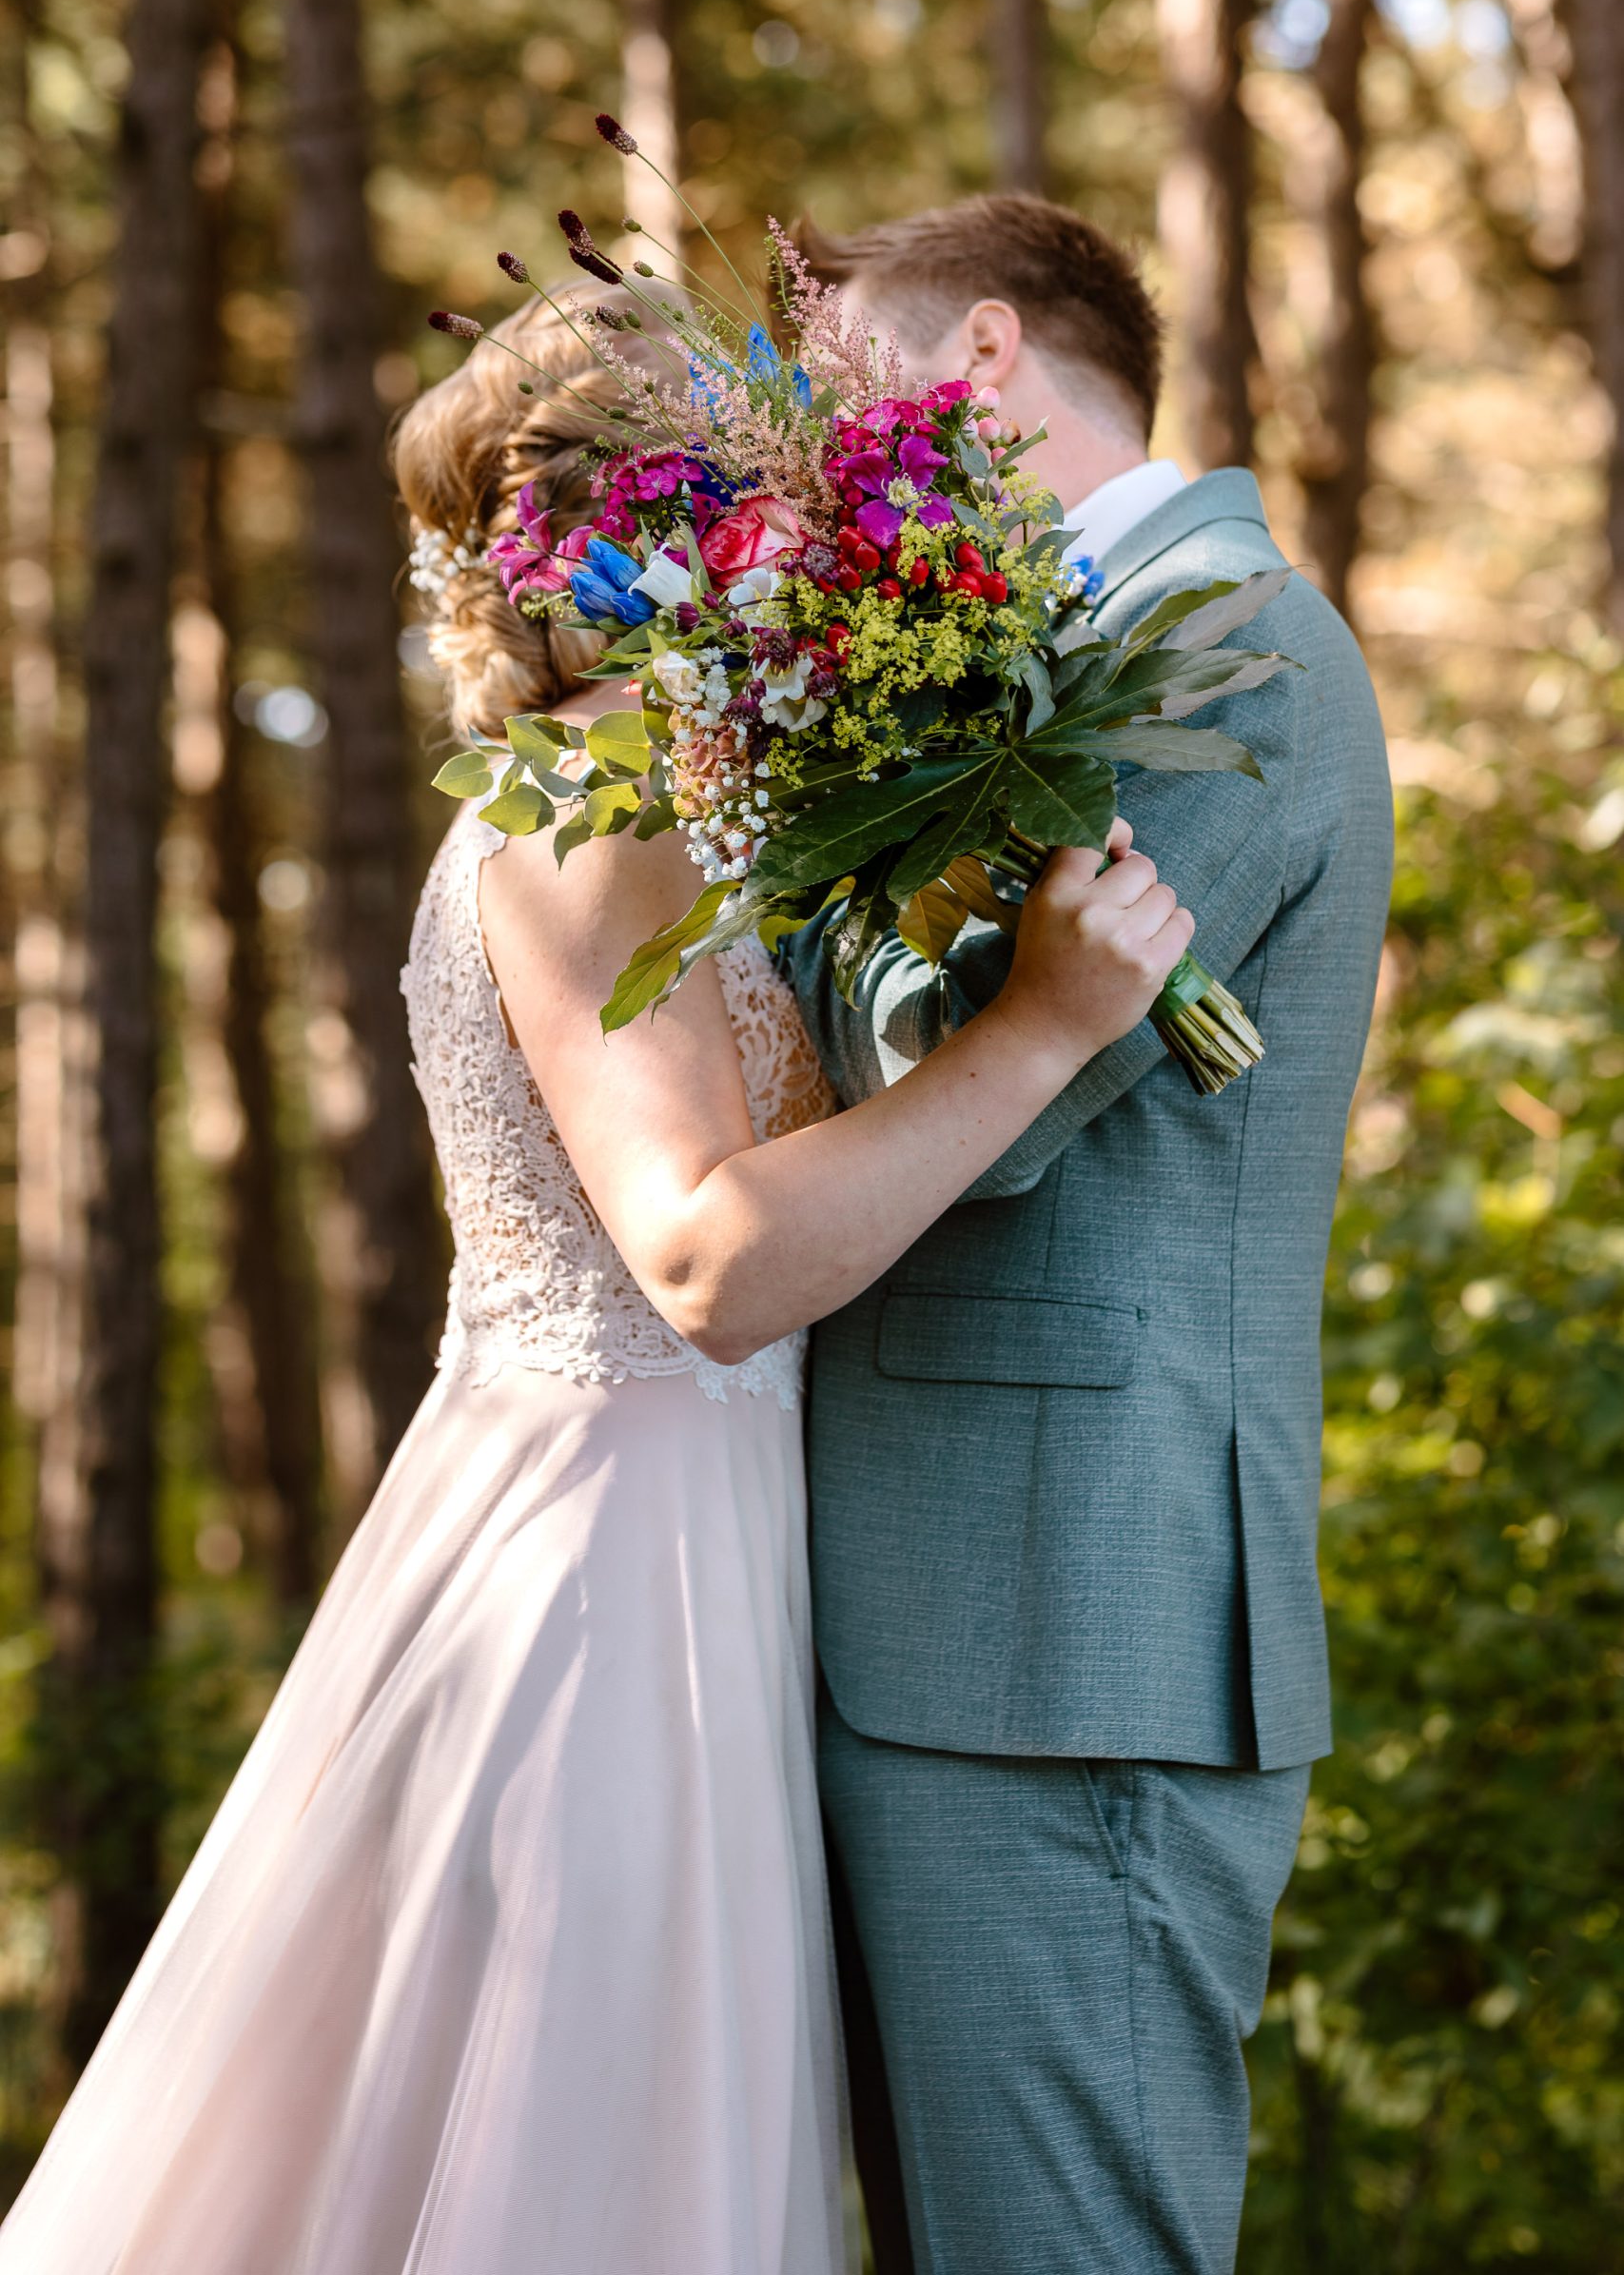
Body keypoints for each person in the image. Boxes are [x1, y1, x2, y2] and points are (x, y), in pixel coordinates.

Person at [0, 294, 1194, 2275]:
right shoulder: (598, 800)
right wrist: (1047, 1026)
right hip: (604, 1575)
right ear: (703, 518)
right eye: (776, 473)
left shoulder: (691, 788)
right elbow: (705, 1257)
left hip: (676, 1529)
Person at [779, 196, 1395, 2275]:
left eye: (833, 387)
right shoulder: (1055, 643)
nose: (813, 450)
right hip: (961, 1610)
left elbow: (1000, 1104)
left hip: (1071, 1632)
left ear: (971, 356)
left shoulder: (1219, 637)